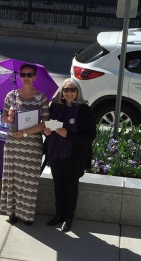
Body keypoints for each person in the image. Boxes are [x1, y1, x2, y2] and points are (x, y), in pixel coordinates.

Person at [43, 78, 96, 232]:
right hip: (56, 153)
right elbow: (49, 125)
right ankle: (59, 214)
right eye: (66, 90)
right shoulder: (56, 106)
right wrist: (46, 131)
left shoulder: (84, 110)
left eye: (72, 90)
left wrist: (69, 135)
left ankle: (68, 218)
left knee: (70, 187)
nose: (69, 93)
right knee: (58, 185)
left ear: (77, 92)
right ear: (62, 92)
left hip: (74, 156)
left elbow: (90, 136)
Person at [0, 63, 50, 226]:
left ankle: (26, 215)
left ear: (35, 77)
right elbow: (3, 119)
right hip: (13, 145)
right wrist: (10, 117)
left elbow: (45, 124)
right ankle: (12, 212)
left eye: (30, 75)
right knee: (13, 178)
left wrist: (25, 133)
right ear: (19, 77)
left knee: (28, 181)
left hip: (31, 146)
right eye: (23, 75)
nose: (26, 78)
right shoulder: (11, 96)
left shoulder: (41, 98)